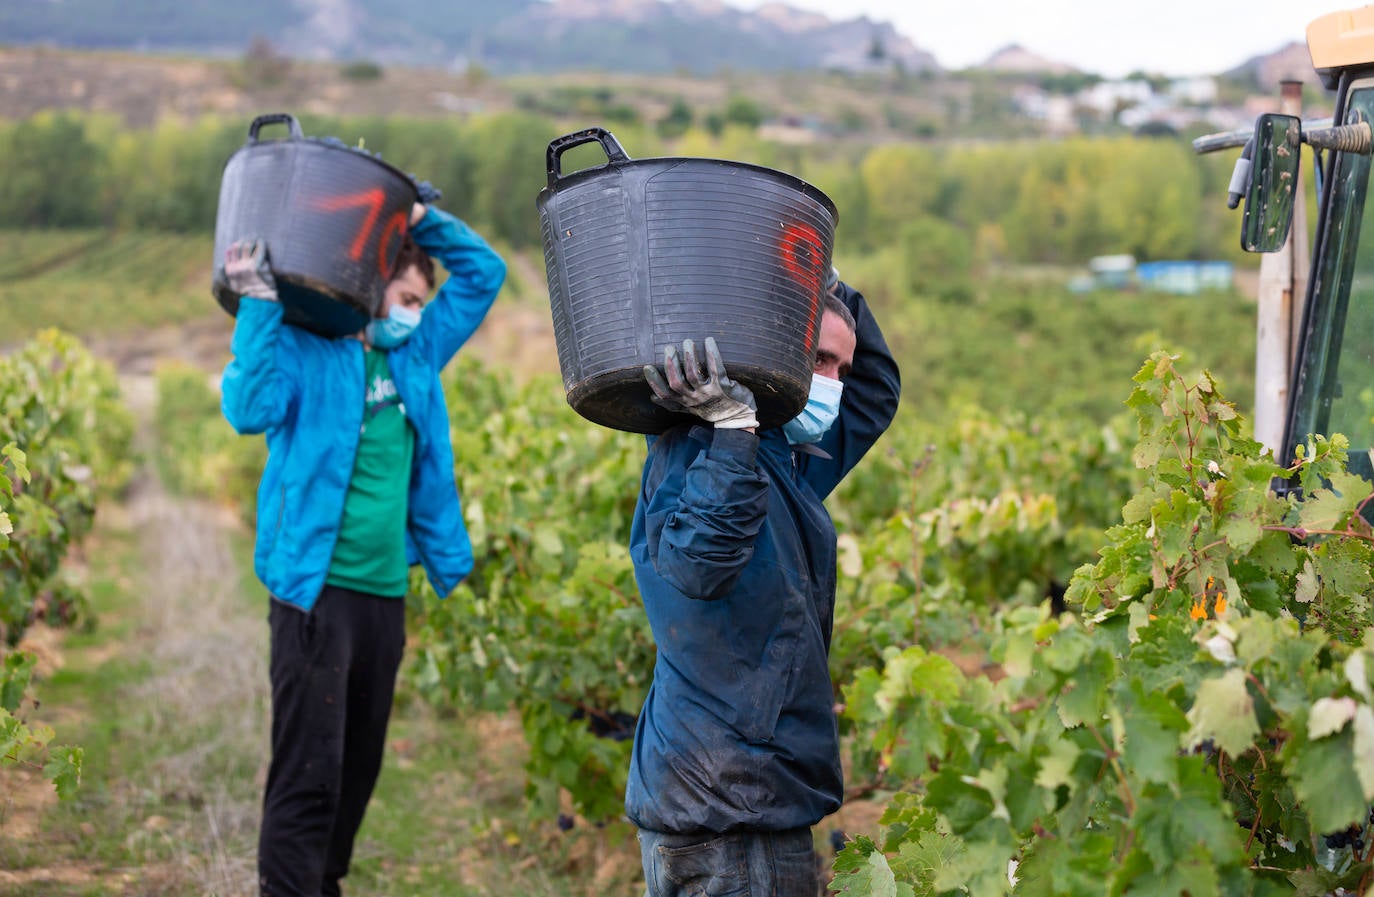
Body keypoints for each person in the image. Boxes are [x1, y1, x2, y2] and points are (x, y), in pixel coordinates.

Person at [219, 197, 506, 897]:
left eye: (421, 301)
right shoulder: (305, 346)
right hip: (315, 591)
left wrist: (419, 220)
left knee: (357, 765)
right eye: (407, 295)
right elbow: (246, 408)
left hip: (384, 593)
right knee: (308, 766)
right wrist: (259, 304)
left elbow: (484, 272)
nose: (415, 310)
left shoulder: (418, 352)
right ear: (371, 284)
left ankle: (324, 882)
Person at [626, 266, 901, 896]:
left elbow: (876, 394)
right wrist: (732, 433)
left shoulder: (779, 463)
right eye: (821, 362)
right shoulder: (704, 451)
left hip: (733, 791)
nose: (834, 385)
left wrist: (829, 280)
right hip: (729, 808)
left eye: (842, 370)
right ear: (772, 358)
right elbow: (698, 563)